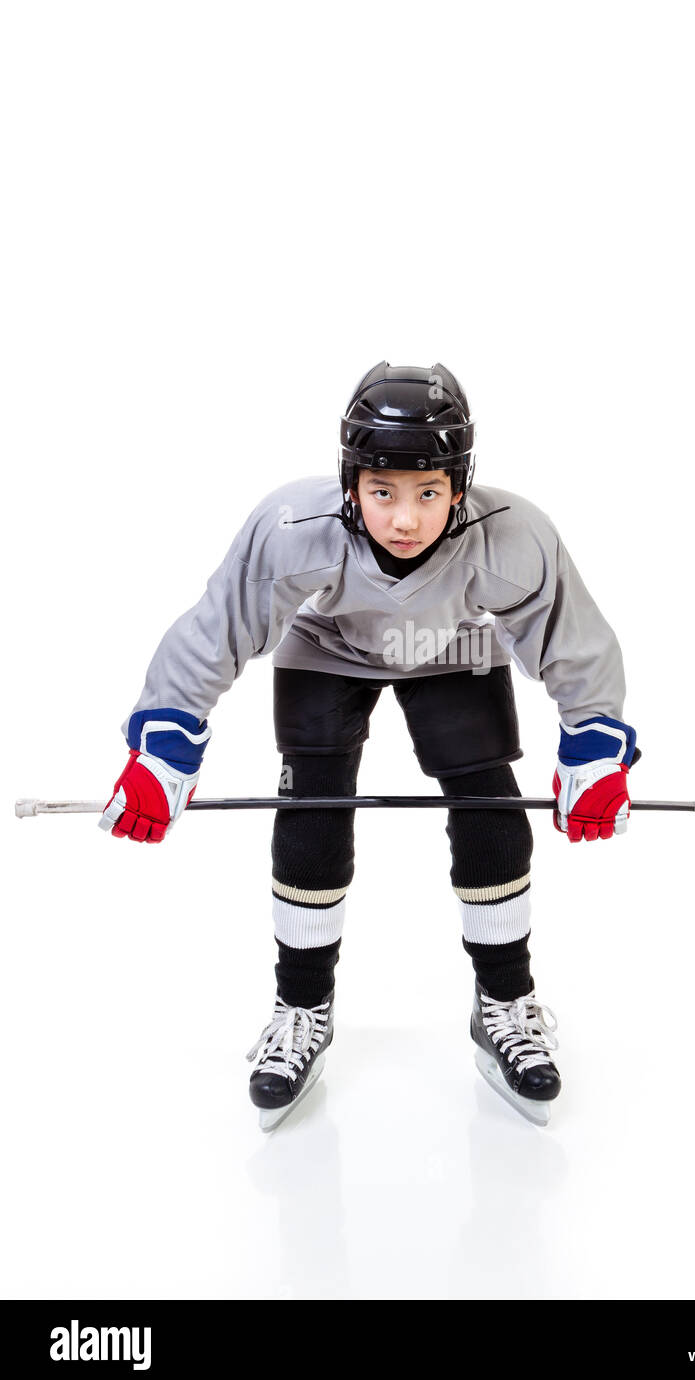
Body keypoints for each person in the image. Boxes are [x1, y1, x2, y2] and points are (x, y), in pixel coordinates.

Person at [100, 362, 638, 1128]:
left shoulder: (514, 535)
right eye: (383, 491)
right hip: (327, 647)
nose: (406, 519)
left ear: (459, 485)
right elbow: (216, 627)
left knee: (489, 806)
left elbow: (572, 640)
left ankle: (505, 1003)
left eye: (428, 492)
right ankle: (300, 1008)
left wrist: (593, 747)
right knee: (315, 811)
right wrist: (164, 747)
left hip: (449, 647)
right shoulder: (294, 527)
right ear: (350, 482)